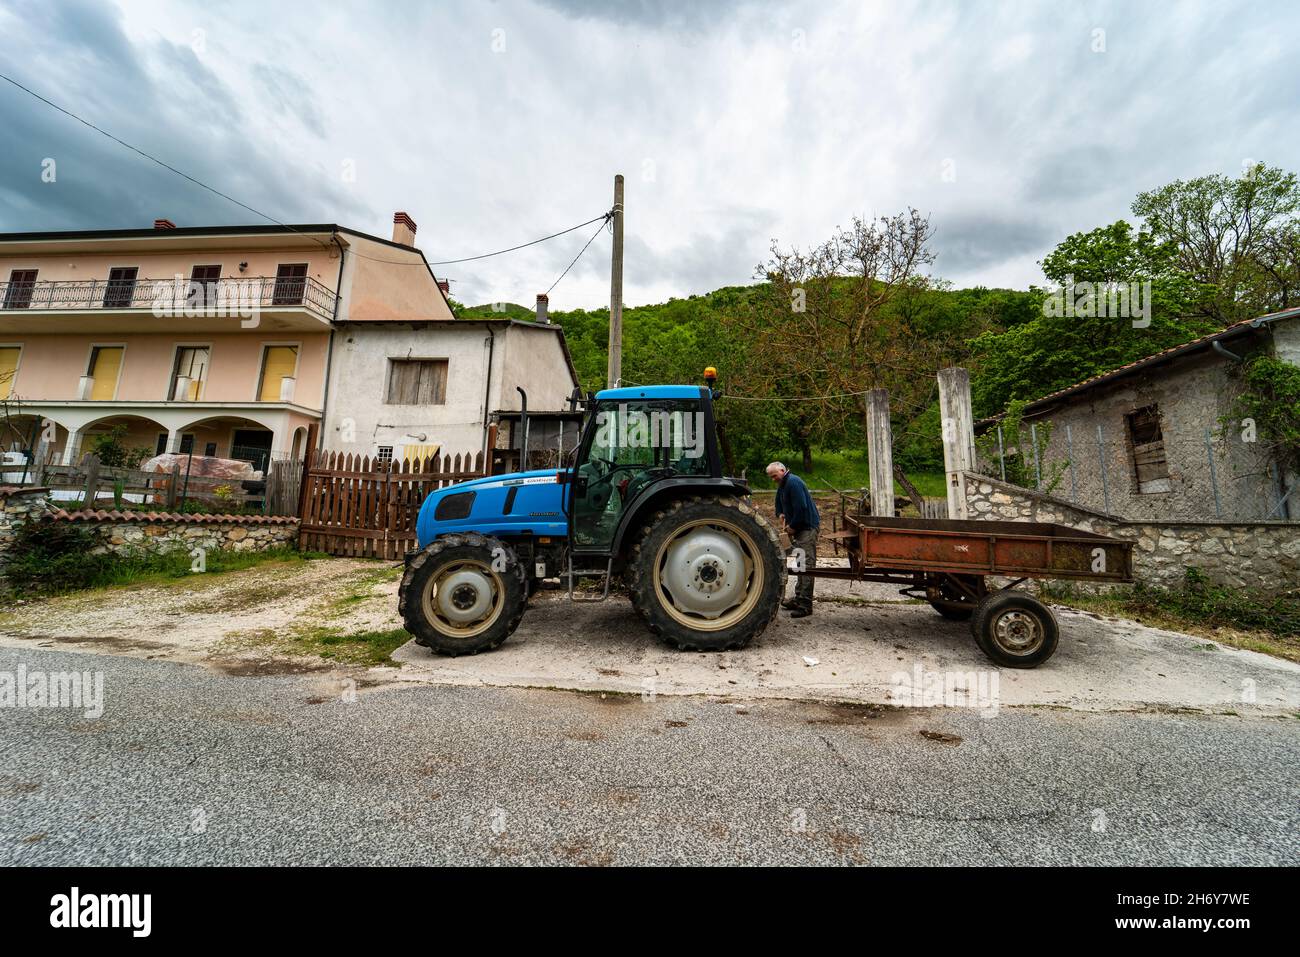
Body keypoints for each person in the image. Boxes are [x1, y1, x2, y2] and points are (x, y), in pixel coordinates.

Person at [766, 461, 819, 617]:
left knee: (807, 566)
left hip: (806, 528)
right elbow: (779, 500)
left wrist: (793, 526)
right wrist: (780, 513)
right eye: (771, 477)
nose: (773, 479)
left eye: (774, 476)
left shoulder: (793, 482)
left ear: (782, 470)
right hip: (800, 528)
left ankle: (805, 605)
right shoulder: (784, 483)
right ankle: (798, 598)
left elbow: (801, 508)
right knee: (799, 564)